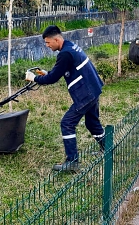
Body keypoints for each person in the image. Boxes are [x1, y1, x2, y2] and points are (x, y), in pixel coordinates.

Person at [25, 25, 105, 172]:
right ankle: (107, 148)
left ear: (56, 39)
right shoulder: (70, 47)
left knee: (67, 123)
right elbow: (59, 71)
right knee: (92, 122)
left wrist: (34, 78)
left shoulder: (64, 54)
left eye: (48, 43)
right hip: (94, 88)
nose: (47, 46)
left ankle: (72, 161)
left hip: (85, 94)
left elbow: (53, 78)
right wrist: (46, 73)